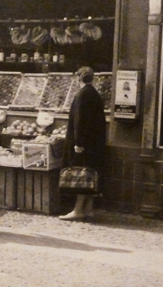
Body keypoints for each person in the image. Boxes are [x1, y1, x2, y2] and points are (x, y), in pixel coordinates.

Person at [59, 66, 107, 221]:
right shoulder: (95, 94)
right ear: (93, 78)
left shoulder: (81, 95)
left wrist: (78, 143)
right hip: (95, 142)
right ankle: (88, 208)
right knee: (90, 173)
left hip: (83, 142)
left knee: (81, 174)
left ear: (77, 77)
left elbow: (79, 120)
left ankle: (78, 209)